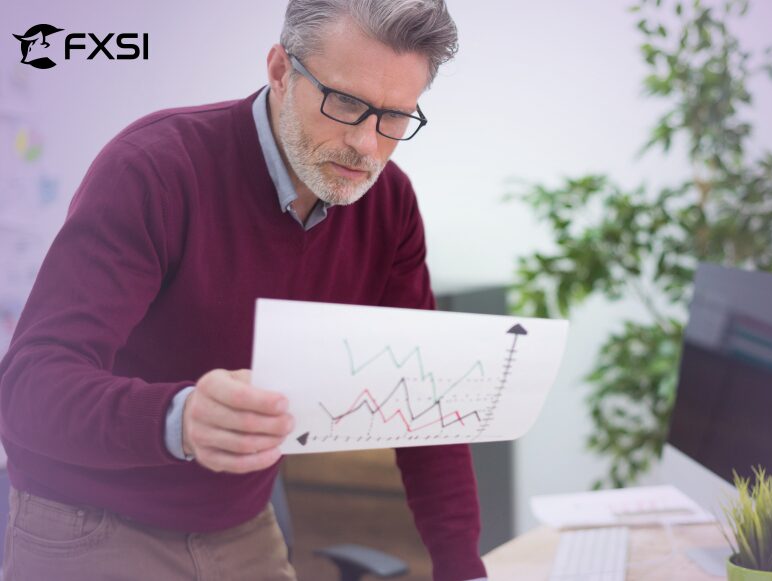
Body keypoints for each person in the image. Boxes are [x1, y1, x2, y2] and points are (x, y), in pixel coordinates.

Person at [0, 1, 488, 580]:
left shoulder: (389, 204)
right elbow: (26, 390)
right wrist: (178, 420)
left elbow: (423, 402)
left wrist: (461, 567)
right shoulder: (156, 169)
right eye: (346, 104)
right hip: (93, 521)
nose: (366, 145)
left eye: (395, 117)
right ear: (281, 71)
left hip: (240, 526)